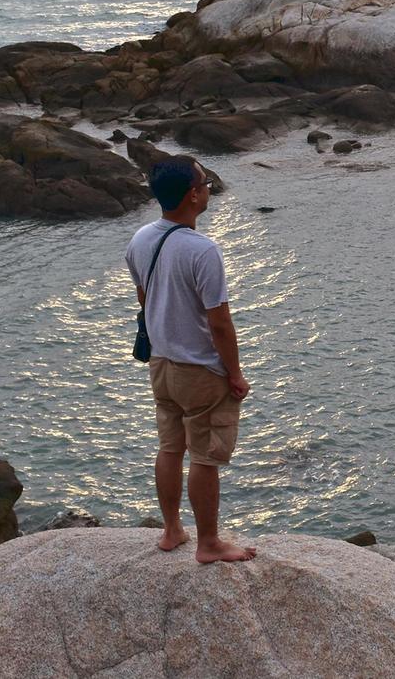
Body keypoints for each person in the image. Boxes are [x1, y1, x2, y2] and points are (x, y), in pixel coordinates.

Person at [125, 155, 255, 564]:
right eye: (205, 183)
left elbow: (145, 301)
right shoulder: (203, 251)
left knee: (170, 447)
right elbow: (219, 323)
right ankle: (208, 543)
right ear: (192, 194)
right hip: (199, 368)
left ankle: (171, 531)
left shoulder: (140, 239)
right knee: (204, 456)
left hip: (161, 365)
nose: (209, 189)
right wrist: (234, 374)